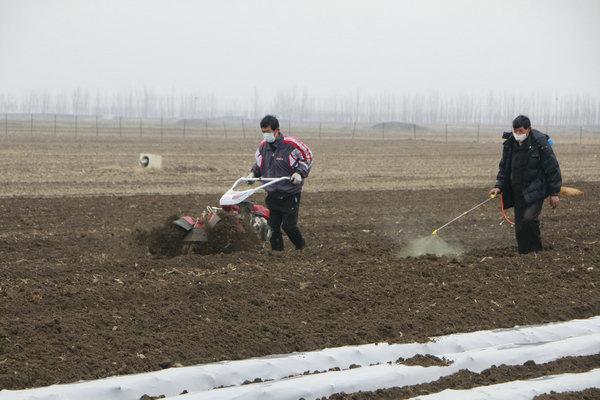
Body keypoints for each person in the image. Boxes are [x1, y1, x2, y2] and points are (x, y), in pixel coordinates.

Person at [489, 115, 562, 254]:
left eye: (521, 131)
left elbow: (552, 168)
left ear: (529, 129)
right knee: (520, 225)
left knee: (529, 219)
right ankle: (523, 254)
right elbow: (504, 168)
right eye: (515, 131)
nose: (518, 134)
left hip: (537, 189)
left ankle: (536, 251)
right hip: (517, 190)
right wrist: (498, 186)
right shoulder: (510, 144)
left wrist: (554, 193)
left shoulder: (540, 143)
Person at [248, 115, 313, 252]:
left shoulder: (291, 144)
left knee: (289, 226)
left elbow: (307, 158)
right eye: (263, 132)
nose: (266, 135)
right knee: (272, 228)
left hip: (290, 193)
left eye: (268, 132)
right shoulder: (263, 147)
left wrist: (299, 173)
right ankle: (278, 254)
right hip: (272, 193)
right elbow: (260, 165)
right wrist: (253, 174)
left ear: (276, 131)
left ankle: (301, 247)